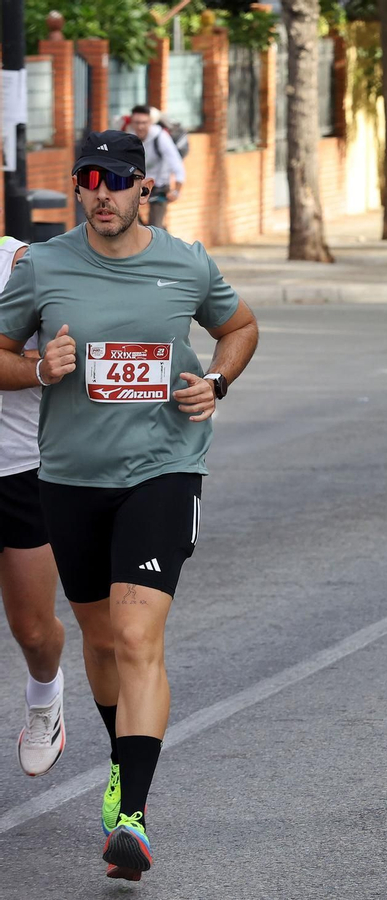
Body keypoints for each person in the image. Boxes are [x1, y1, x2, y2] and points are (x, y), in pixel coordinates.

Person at [0, 130, 259, 880]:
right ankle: (121, 758)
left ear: (144, 187)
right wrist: (35, 367)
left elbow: (238, 327)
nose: (101, 193)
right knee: (102, 638)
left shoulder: (185, 263)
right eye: (89, 179)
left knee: (138, 632)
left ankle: (134, 818)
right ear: (77, 187)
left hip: (164, 471)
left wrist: (218, 380)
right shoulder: (42, 266)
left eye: (116, 180)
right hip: (72, 479)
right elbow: (1, 352)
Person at [0, 237, 68, 781]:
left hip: (19, 471)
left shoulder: (28, 264)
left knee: (33, 630)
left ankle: (45, 696)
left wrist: (35, 366)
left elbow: (60, 358)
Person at [124, 106, 184, 230]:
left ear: (150, 122)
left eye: (144, 123)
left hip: (159, 185)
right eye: (137, 123)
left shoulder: (160, 137)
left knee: (155, 227)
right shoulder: (129, 138)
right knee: (129, 223)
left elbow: (176, 164)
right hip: (137, 185)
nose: (140, 127)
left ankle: (160, 241)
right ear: (132, 123)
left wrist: (176, 190)